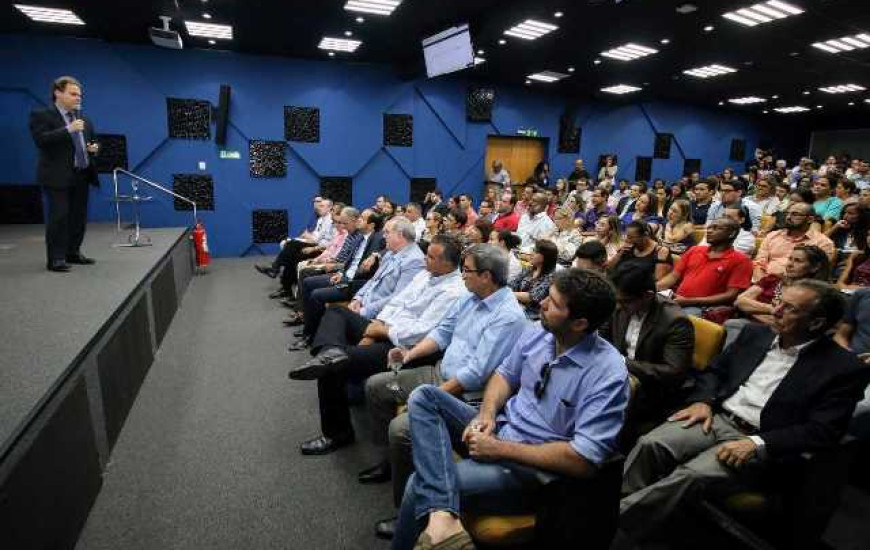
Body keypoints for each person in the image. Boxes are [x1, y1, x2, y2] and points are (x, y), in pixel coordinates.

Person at [391, 269, 630, 550]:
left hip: (532, 468)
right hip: (501, 429)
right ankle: (442, 519)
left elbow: (583, 461)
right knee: (425, 397)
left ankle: (430, 521)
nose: (541, 303)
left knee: (418, 487)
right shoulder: (540, 333)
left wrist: (499, 449)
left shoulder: (608, 373)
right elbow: (503, 376)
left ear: (579, 323)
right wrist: (487, 415)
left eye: (552, 303)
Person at [618, 281, 870, 543]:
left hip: (761, 440)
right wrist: (704, 400)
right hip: (716, 417)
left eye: (789, 308)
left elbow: (824, 429)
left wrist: (757, 443)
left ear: (816, 323)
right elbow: (715, 372)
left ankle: (613, 525)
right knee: (651, 444)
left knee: (692, 475)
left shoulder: (842, 368)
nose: (775, 310)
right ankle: (612, 502)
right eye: (778, 302)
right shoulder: (755, 334)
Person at [363, 245, 528, 535]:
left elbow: (476, 373)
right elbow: (442, 333)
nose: (461, 275)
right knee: (376, 387)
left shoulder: (508, 316)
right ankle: (388, 462)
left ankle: (409, 513)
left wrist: (431, 394)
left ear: (487, 276)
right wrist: (409, 355)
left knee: (401, 430)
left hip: (462, 393)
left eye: (466, 270)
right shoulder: (470, 297)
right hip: (439, 371)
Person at [287, 234, 468, 455]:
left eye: (430, 256)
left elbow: (419, 332)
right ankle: (329, 354)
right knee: (337, 312)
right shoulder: (425, 274)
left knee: (332, 366)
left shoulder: (454, 291)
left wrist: (380, 330)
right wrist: (377, 325)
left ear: (447, 263)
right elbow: (396, 302)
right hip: (385, 328)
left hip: (406, 349)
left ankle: (337, 433)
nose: (424, 259)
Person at [600, 266, 694, 429]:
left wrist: (622, 362)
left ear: (648, 296)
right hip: (617, 375)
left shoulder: (675, 322)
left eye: (624, 301)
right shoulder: (621, 306)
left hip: (651, 389)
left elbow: (673, 372)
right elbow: (602, 338)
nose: (618, 306)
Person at [30, 76, 100, 272]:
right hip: (56, 176)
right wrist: (67, 129)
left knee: (78, 217)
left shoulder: (84, 119)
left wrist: (95, 148)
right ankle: (56, 259)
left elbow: (93, 143)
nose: (78, 98)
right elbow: (41, 140)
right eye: (73, 93)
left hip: (82, 174)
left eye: (79, 94)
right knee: (59, 217)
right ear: (57, 93)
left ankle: (73, 252)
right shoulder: (42, 115)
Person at [288, 210, 385, 347]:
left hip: (355, 283)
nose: (358, 220)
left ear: (372, 225)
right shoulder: (360, 237)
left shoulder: (378, 238)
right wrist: (341, 272)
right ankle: (308, 328)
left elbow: (386, 249)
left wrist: (376, 255)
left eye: (362, 219)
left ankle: (310, 336)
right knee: (308, 282)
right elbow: (350, 262)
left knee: (317, 295)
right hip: (345, 276)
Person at [730, 245, 830, 344]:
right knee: (734, 324)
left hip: (786, 335)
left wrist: (753, 310)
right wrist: (772, 310)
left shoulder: (816, 294)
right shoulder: (773, 279)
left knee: (737, 325)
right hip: (751, 324)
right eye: (790, 259)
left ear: (814, 267)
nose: (790, 264)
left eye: (798, 261)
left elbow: (790, 324)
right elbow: (740, 301)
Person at [655, 218, 753, 318]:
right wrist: (653, 288)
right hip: (678, 299)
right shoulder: (695, 250)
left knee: (671, 318)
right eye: (709, 227)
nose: (709, 231)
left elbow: (731, 295)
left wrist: (689, 302)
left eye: (716, 228)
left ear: (731, 234)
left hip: (705, 307)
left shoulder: (741, 260)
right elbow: (673, 276)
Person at [255, 197, 334, 284]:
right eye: (319, 206)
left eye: (322, 206)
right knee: (290, 247)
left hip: (320, 248)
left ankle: (276, 270)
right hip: (315, 244)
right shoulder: (320, 219)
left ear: (330, 207)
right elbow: (315, 235)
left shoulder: (331, 220)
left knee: (291, 248)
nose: (319, 208)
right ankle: (280, 277)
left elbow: (320, 240)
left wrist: (309, 237)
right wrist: (308, 237)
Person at [754, 202, 836, 280]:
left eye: (795, 214)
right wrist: (761, 283)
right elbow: (759, 263)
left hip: (796, 287)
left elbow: (818, 274)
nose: (788, 217)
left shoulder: (823, 243)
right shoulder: (773, 236)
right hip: (764, 282)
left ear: (810, 219)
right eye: (787, 213)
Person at [510, 240, 558, 320]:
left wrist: (509, 293)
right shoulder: (529, 269)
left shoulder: (551, 276)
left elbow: (531, 297)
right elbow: (514, 283)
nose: (531, 254)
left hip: (532, 314)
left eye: (535, 252)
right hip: (517, 305)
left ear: (544, 257)